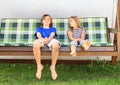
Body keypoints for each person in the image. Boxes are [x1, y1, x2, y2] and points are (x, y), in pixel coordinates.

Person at [33, 14, 60, 80]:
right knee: (35, 44)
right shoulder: (39, 29)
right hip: (41, 39)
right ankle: (39, 65)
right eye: (44, 19)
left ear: (50, 21)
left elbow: (52, 35)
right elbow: (38, 35)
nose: (46, 21)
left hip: (50, 39)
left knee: (56, 45)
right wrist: (43, 39)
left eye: (48, 19)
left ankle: (53, 66)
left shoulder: (52, 29)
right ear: (42, 21)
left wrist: (48, 39)